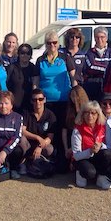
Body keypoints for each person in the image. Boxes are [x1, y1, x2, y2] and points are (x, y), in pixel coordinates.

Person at [33, 30, 77, 166]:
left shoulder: (65, 58)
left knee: (63, 130)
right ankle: (51, 158)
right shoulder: (40, 60)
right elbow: (36, 82)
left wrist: (76, 99)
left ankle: (64, 159)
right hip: (46, 103)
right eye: (49, 43)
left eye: (55, 42)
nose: (52, 45)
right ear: (45, 44)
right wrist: (35, 99)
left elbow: (74, 79)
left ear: (58, 44)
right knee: (49, 130)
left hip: (64, 101)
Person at [71, 101, 111, 189]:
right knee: (89, 174)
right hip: (82, 158)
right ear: (82, 114)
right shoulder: (77, 130)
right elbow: (76, 155)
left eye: (93, 113)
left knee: (107, 154)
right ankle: (80, 172)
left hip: (98, 155)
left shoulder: (104, 126)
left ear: (98, 114)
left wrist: (101, 146)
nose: (90, 116)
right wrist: (90, 150)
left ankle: (101, 176)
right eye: (87, 113)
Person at [22, 89, 56, 164]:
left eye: (40, 99)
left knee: (50, 149)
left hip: (41, 144)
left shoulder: (50, 115)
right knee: (21, 140)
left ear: (45, 100)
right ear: (31, 101)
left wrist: (40, 146)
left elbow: (50, 137)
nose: (38, 102)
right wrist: (37, 137)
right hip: (28, 143)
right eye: (34, 100)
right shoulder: (26, 112)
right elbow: (23, 131)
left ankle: (34, 160)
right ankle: (24, 161)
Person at [84, 26, 111, 100]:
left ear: (106, 38)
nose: (100, 40)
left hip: (107, 84)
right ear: (94, 38)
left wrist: (102, 68)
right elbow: (91, 66)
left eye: (102, 37)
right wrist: (107, 68)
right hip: (92, 84)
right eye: (97, 37)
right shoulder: (89, 52)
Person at [8, 43, 38, 111]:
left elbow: (35, 86)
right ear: (18, 54)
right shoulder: (11, 68)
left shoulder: (33, 68)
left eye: (28, 53)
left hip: (29, 105)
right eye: (22, 53)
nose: (25, 55)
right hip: (13, 105)